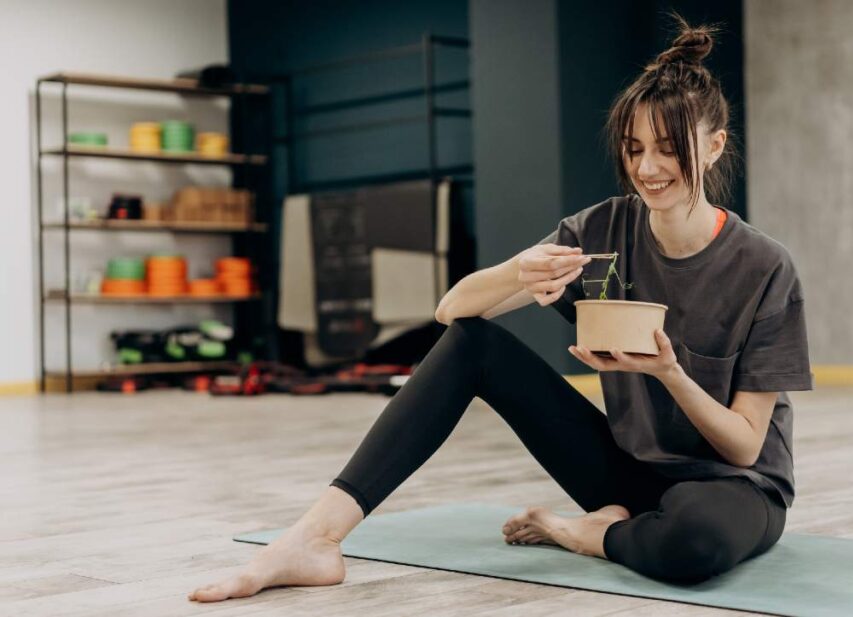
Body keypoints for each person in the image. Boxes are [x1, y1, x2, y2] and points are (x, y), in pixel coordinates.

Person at [188, 15, 813, 603]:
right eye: (633, 148)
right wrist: (520, 271)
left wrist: (669, 372)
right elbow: (450, 310)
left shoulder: (764, 268)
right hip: (629, 473)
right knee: (472, 343)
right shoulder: (599, 231)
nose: (647, 168)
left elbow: (742, 448)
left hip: (733, 489)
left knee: (693, 544)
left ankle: (581, 533)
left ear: (713, 147)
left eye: (668, 148)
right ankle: (315, 537)